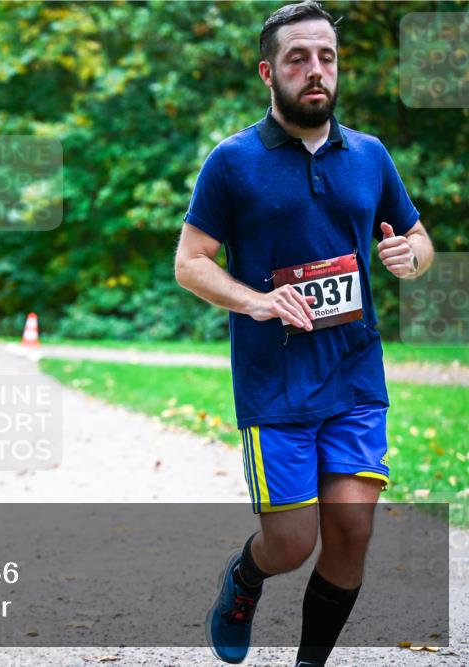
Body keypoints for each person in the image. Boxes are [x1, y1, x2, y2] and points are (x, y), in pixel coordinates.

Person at [174, 3, 434, 666]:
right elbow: (191, 261)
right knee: (291, 544)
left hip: (354, 375)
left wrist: (412, 256)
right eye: (298, 58)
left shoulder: (370, 156)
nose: (316, 70)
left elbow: (416, 237)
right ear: (269, 71)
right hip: (274, 384)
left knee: (350, 531)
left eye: (327, 57)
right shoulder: (232, 162)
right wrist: (257, 300)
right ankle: (245, 580)